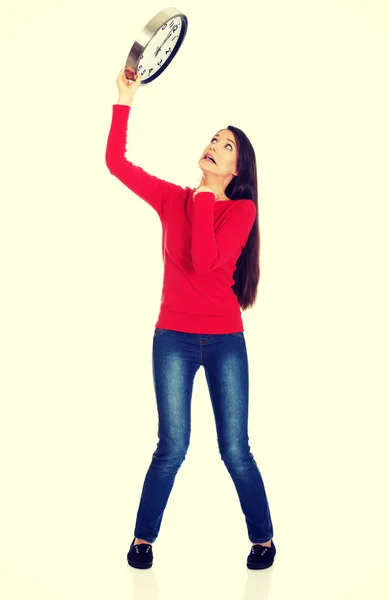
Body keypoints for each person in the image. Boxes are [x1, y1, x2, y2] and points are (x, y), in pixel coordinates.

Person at [105, 67, 276, 570]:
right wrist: (124, 98)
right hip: (172, 339)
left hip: (224, 340)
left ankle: (263, 538)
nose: (212, 146)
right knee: (172, 445)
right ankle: (143, 539)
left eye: (224, 146)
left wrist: (204, 199)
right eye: (211, 140)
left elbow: (206, 261)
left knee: (234, 449)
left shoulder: (240, 212)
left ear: (237, 168)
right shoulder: (172, 199)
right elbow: (116, 162)